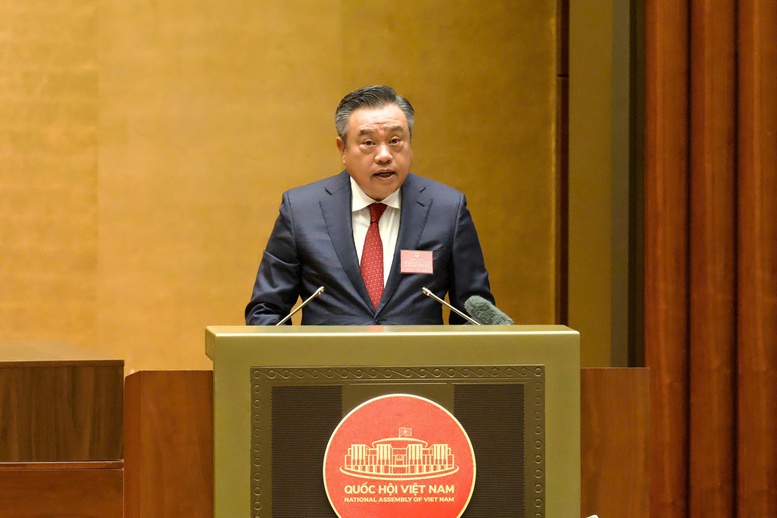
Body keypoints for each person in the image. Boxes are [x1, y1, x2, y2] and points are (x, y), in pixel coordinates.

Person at [245, 85, 494, 325]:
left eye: (395, 140)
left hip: (416, 356)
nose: (384, 155)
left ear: (410, 143)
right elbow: (266, 311)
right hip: (329, 356)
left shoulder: (447, 209)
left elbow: (475, 314)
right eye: (368, 143)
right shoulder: (301, 210)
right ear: (343, 150)